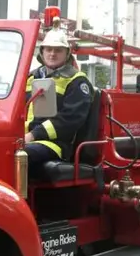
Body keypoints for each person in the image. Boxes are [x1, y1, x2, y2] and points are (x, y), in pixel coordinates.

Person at [24, 29, 94, 175]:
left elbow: (69, 119)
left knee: (20, 156)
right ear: (42, 52)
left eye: (58, 50)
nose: (52, 54)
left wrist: (34, 135)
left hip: (56, 144)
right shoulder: (30, 77)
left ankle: (17, 197)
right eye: (48, 49)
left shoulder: (77, 81)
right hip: (24, 138)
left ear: (67, 54)